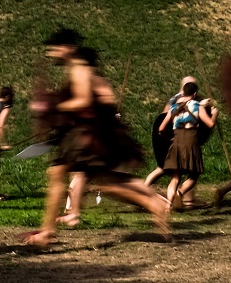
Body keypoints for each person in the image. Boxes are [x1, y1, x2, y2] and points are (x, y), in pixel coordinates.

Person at [23, 31, 170, 246]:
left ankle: (46, 233)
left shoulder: (80, 69)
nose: (52, 53)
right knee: (102, 182)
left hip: (84, 136)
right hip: (82, 134)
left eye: (55, 48)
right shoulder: (77, 69)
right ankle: (47, 232)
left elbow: (82, 101)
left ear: (68, 48)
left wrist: (53, 106)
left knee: (93, 181)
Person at [160, 80, 217, 210]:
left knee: (175, 177)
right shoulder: (197, 106)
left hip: (176, 141)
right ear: (195, 94)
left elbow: (161, 128)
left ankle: (168, 207)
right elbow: (210, 124)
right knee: (194, 175)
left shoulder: (173, 108)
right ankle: (180, 193)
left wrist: (168, 138)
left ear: (183, 93)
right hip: (191, 141)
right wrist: (214, 115)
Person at [145, 76, 198, 188]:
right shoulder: (178, 101)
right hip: (171, 138)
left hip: (172, 137)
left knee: (167, 169)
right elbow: (164, 118)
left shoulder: (177, 99)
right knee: (168, 169)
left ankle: (142, 190)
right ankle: (142, 191)